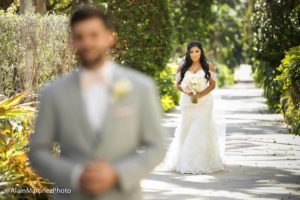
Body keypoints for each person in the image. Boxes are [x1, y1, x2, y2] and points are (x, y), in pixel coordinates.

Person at [28, 5, 166, 200]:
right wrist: (75, 175)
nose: (87, 43)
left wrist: (117, 173)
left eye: (94, 35)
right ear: (73, 42)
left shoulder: (141, 88)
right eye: (80, 37)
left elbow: (157, 146)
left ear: (110, 37)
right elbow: (38, 151)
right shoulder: (53, 93)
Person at [157, 41, 225, 174]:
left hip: (205, 102)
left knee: (200, 129)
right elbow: (177, 84)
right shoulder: (182, 66)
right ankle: (183, 160)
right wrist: (187, 91)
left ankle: (200, 162)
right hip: (187, 103)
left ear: (201, 52)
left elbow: (212, 85)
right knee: (187, 129)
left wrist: (200, 94)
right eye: (191, 51)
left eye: (197, 51)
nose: (194, 54)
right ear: (188, 53)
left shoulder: (208, 66)